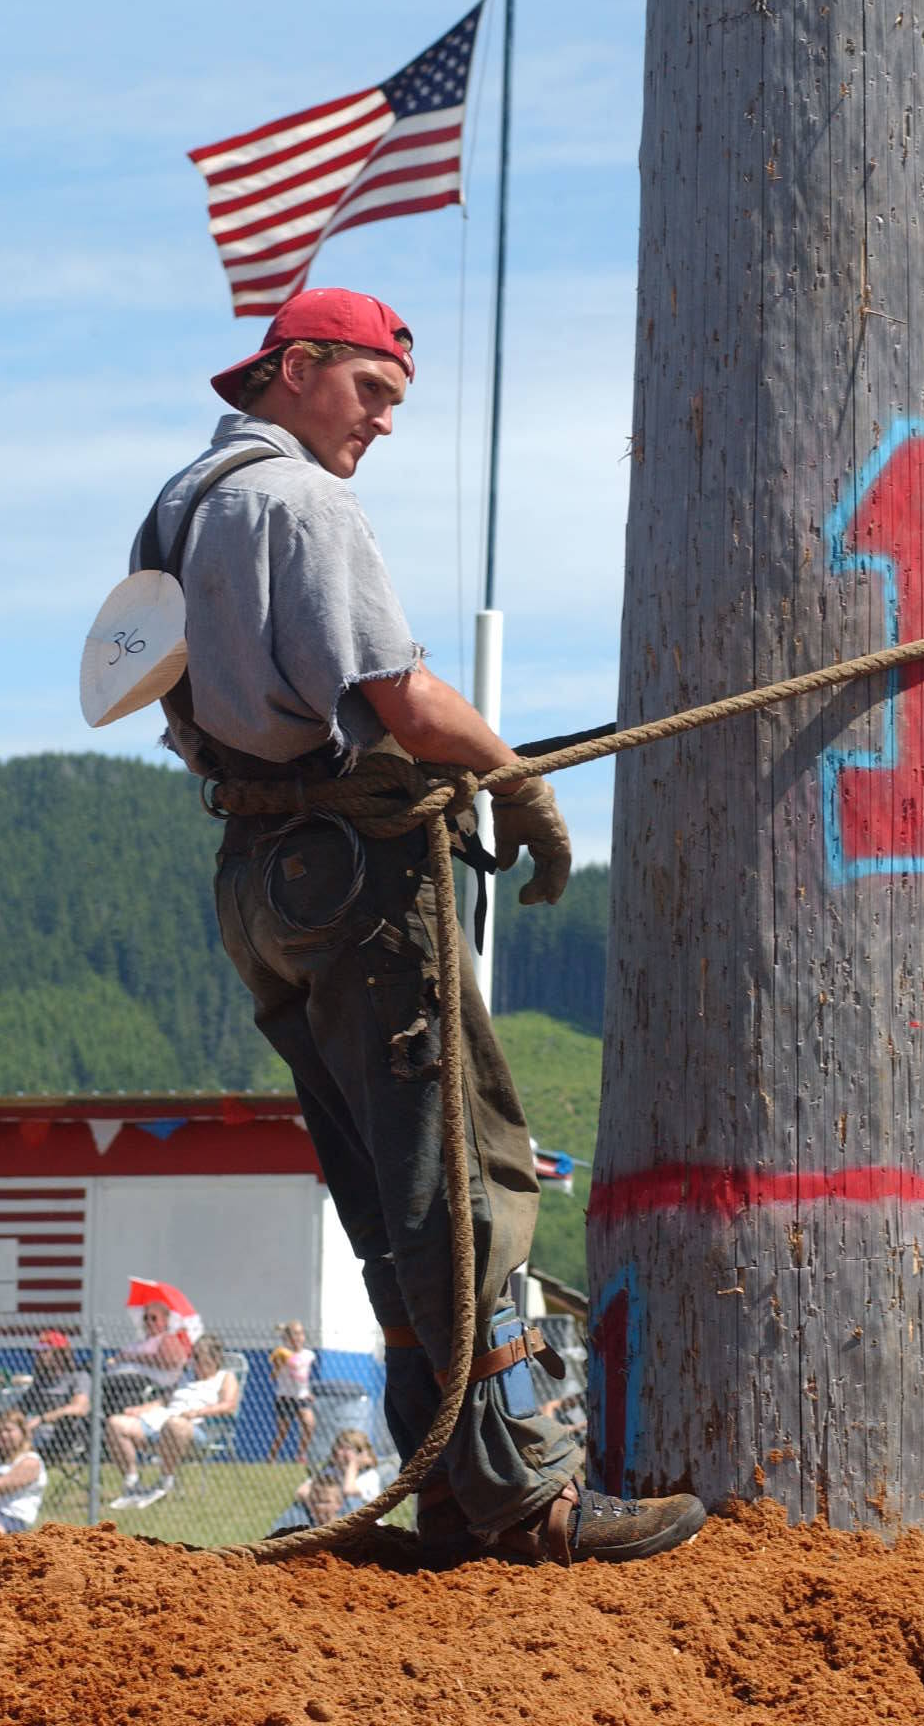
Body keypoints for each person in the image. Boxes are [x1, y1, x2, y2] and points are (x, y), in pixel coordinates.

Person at [128, 288, 703, 1565]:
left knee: (384, 1193)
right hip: (351, 866)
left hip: (258, 876)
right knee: (466, 1176)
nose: (382, 424)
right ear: (296, 366)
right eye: (371, 392)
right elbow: (404, 694)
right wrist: (521, 784)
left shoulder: (178, 506)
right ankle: (529, 1489)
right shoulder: (305, 504)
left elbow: (145, 679)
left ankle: (444, 1480)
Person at [105, 1332, 239, 1508]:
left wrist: (197, 1412)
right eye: (194, 1357)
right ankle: (132, 1483)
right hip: (162, 1420)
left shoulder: (225, 1377)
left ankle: (164, 1481)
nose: (195, 1363)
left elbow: (228, 1405)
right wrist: (141, 1409)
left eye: (201, 1359)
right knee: (116, 1423)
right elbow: (165, 1400)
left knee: (175, 1424)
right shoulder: (187, 1376)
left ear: (215, 1360)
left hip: (194, 1428)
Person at [102, 1299, 192, 1411]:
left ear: (165, 1321)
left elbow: (170, 1362)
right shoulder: (138, 1342)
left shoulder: (167, 1339)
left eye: (153, 1318)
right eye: (146, 1318)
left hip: (147, 1384)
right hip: (120, 1382)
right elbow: (116, 1359)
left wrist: (133, 1358)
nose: (149, 1322)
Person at [18, 1331, 91, 1460]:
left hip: (64, 1435)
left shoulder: (79, 1377)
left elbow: (79, 1408)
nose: (38, 1356)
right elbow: (19, 1410)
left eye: (45, 1352)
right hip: (36, 1432)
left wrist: (41, 1419)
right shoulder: (40, 1382)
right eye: (37, 1352)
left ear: (60, 1354)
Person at [267, 1321, 316, 1463]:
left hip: (301, 1396)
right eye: (294, 1334)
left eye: (300, 1333)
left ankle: (301, 1455)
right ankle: (272, 1456)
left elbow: (304, 1377)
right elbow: (273, 1377)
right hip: (285, 1397)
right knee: (283, 1430)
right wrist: (279, 1365)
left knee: (309, 1423)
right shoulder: (282, 1353)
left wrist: (308, 1392)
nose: (298, 1337)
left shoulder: (308, 1355)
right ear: (287, 1337)